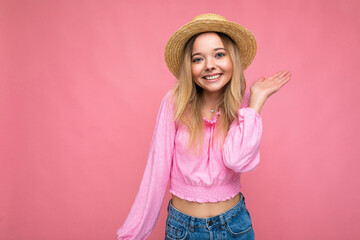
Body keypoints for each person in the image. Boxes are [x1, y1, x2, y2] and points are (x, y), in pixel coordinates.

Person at [117, 13, 291, 239]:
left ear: (232, 60)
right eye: (198, 59)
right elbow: (156, 172)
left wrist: (256, 102)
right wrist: (133, 234)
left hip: (234, 227)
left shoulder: (244, 105)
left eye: (219, 54)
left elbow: (236, 159)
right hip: (183, 229)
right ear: (189, 67)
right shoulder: (175, 102)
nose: (209, 65)